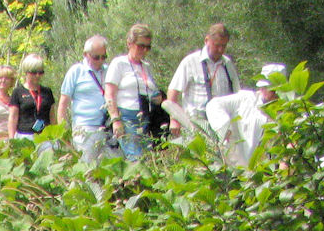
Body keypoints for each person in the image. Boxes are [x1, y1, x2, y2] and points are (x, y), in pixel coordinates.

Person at [167, 23, 244, 135]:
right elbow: (173, 91)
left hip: (222, 124)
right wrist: (174, 120)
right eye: (217, 45)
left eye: (224, 46)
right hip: (196, 122)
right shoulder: (190, 61)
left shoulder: (227, 64)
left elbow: (237, 94)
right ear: (206, 40)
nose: (220, 50)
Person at [205, 63, 284, 166]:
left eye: (269, 88)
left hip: (271, 167)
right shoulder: (246, 99)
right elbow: (213, 105)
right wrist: (225, 128)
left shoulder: (288, 109)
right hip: (241, 165)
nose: (264, 90)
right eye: (263, 87)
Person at [105, 24, 163, 161]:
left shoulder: (146, 67)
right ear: (129, 43)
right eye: (141, 46)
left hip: (145, 116)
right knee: (135, 158)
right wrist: (115, 120)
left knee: (148, 158)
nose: (144, 50)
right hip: (127, 116)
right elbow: (109, 94)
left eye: (148, 47)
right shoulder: (119, 64)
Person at [57, 36, 111, 165]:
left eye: (103, 57)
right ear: (86, 54)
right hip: (85, 129)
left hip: (107, 128)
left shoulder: (108, 70)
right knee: (87, 168)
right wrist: (63, 133)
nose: (100, 61)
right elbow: (63, 104)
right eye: (96, 57)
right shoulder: (76, 71)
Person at [12, 54, 55, 140]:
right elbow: (13, 118)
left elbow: (52, 117)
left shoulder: (47, 92)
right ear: (26, 72)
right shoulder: (18, 92)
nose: (37, 75)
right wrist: (12, 139)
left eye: (40, 72)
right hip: (25, 136)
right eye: (34, 72)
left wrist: (55, 137)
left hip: (45, 136)